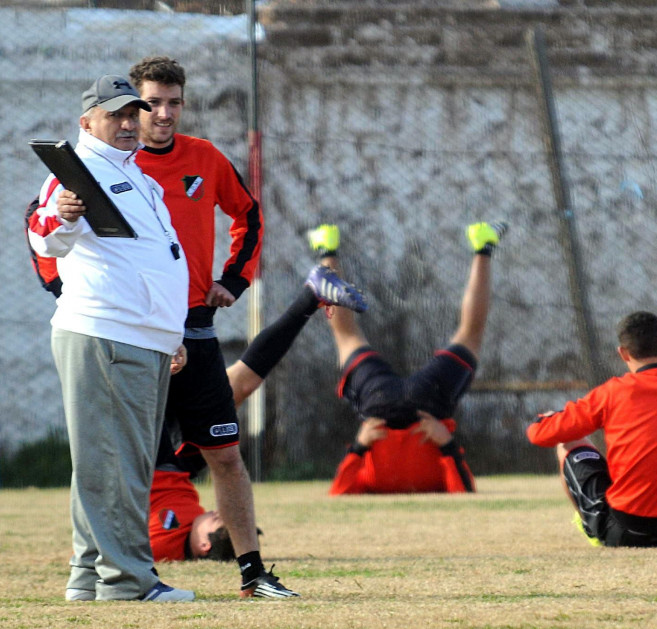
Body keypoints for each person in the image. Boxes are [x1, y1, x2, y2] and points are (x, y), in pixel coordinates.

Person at [127, 55, 309, 597]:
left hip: (196, 328)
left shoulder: (203, 158)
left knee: (225, 455)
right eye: (153, 103)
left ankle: (255, 574)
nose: (163, 114)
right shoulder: (116, 166)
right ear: (135, 105)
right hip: (137, 330)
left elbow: (247, 215)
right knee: (130, 459)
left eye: (173, 103)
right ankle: (130, 574)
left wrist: (234, 279)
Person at [26, 75, 192, 601]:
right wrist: (62, 218)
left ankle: (88, 576)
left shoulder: (131, 170)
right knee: (118, 461)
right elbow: (46, 231)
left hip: (138, 335)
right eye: (115, 115)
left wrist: (171, 332)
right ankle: (127, 581)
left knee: (109, 460)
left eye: (131, 113)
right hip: (106, 333)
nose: (127, 123)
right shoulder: (80, 171)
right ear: (86, 122)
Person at [149, 265, 363, 561]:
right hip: (182, 465)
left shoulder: (161, 549)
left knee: (156, 382)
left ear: (204, 546)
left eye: (218, 519)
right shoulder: (196, 531)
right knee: (242, 385)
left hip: (147, 462)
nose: (217, 510)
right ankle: (312, 295)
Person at [312, 221, 504, 495]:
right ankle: (326, 247)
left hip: (396, 413)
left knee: (470, 335)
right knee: (346, 336)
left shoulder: (372, 485)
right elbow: (464, 492)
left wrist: (360, 446)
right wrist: (445, 443)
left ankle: (483, 246)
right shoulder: (385, 485)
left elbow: (338, 494)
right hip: (418, 413)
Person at [526, 311, 657, 548]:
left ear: (623, 353)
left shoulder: (613, 392)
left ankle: (592, 526)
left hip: (630, 532)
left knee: (568, 444)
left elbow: (541, 435)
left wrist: (543, 419)